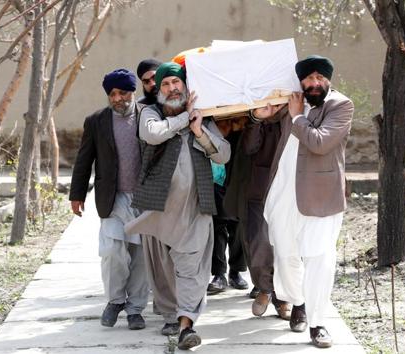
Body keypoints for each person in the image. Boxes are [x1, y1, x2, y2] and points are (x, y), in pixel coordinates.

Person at [125, 62, 230, 350]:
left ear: (185, 86)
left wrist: (198, 131)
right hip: (157, 209)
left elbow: (223, 155)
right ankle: (171, 313)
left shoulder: (203, 119)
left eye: (177, 83)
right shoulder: (150, 112)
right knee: (162, 269)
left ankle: (186, 324)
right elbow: (152, 134)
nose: (172, 88)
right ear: (158, 89)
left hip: (196, 209)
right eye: (166, 84)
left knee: (192, 269)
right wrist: (184, 118)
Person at [255, 55, 354, 348]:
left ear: (328, 79)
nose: (313, 83)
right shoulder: (294, 99)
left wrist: (297, 116)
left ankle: (318, 323)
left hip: (321, 194)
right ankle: (298, 301)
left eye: (319, 78)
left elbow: (320, 142)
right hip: (284, 191)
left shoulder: (341, 106)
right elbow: (264, 113)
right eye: (308, 79)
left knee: (319, 259)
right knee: (285, 255)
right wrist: (259, 114)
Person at [69, 69, 149, 331]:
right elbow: (84, 159)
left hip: (145, 199)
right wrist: (77, 194)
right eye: (112, 94)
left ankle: (136, 309)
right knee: (113, 253)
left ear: (132, 91)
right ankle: (115, 301)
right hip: (112, 198)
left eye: (122, 92)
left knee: (141, 256)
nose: (117, 98)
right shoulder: (96, 121)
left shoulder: (148, 116)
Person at [237, 114, 292, 320]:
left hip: (290, 190)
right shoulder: (257, 117)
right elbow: (249, 147)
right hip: (260, 189)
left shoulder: (295, 114)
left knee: (285, 245)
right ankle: (264, 288)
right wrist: (257, 120)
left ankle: (283, 297)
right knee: (259, 242)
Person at [207, 135, 249, 295]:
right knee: (217, 225)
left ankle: (236, 272)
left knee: (238, 226)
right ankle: (219, 274)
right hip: (214, 173)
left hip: (238, 169)